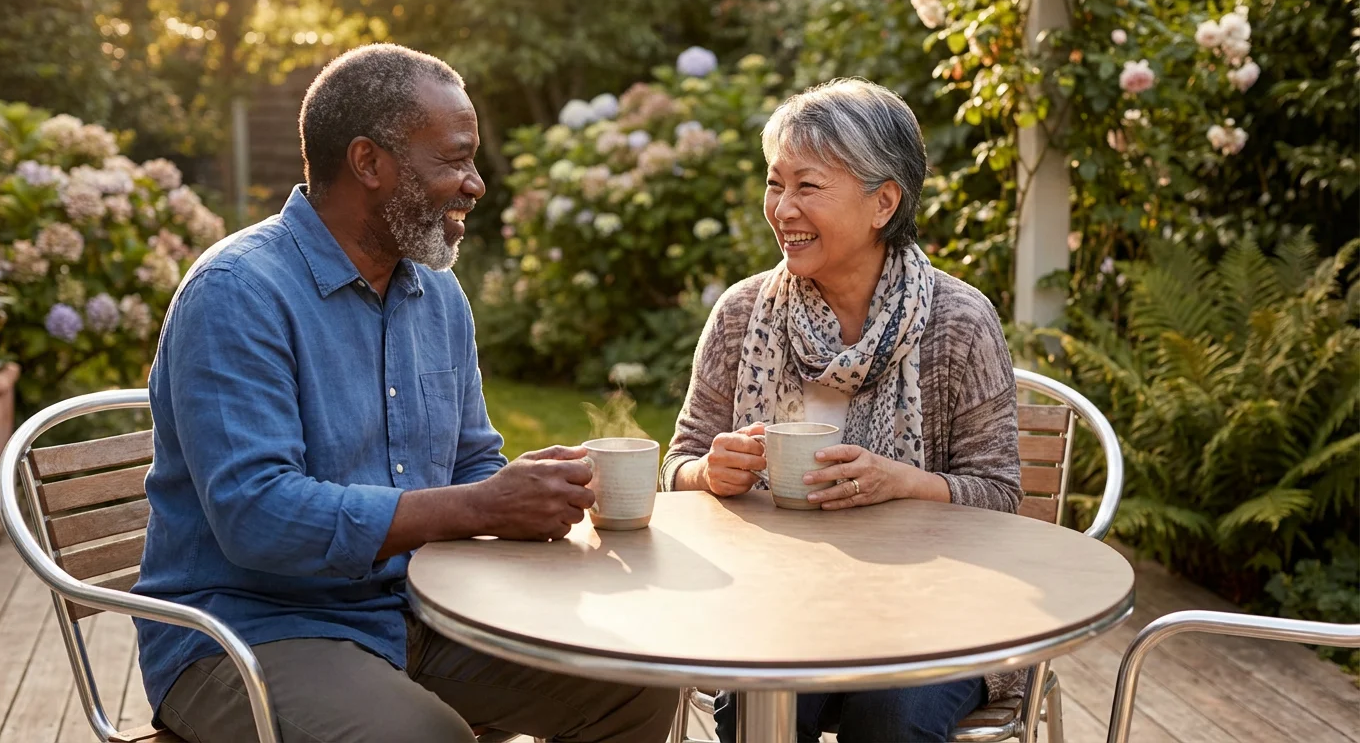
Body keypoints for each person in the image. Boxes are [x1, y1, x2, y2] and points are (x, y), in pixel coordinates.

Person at [132, 44, 677, 743]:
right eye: (454, 159)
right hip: (247, 634)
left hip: (417, 612)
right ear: (370, 163)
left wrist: (523, 492)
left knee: (631, 684)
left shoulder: (436, 292)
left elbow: (471, 460)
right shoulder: (239, 292)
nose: (475, 184)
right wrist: (477, 504)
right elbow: (257, 515)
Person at [659, 78, 1023, 742]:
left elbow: (1000, 496)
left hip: (934, 612)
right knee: (758, 707)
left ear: (883, 201)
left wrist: (901, 483)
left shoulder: (960, 321)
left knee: (891, 716)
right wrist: (709, 473)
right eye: (776, 184)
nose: (783, 208)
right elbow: (679, 464)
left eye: (808, 186)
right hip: (777, 604)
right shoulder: (743, 313)